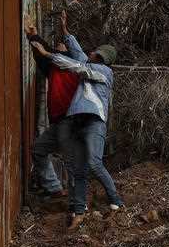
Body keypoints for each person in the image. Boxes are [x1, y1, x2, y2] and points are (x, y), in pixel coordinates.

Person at [30, 13, 123, 229]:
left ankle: (116, 200)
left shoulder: (103, 72)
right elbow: (78, 52)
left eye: (94, 52)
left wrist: (47, 54)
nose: (89, 53)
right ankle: (78, 211)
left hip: (93, 122)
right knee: (77, 169)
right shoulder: (89, 63)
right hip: (76, 122)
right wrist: (65, 29)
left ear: (100, 57)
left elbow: (77, 65)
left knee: (94, 163)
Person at [25, 17, 79, 200]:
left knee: (69, 157)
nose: (60, 45)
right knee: (39, 150)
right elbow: (43, 54)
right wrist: (33, 36)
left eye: (62, 45)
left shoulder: (76, 69)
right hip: (58, 121)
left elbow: (48, 52)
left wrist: (37, 38)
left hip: (70, 119)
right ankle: (55, 188)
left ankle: (77, 202)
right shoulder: (53, 68)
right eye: (58, 45)